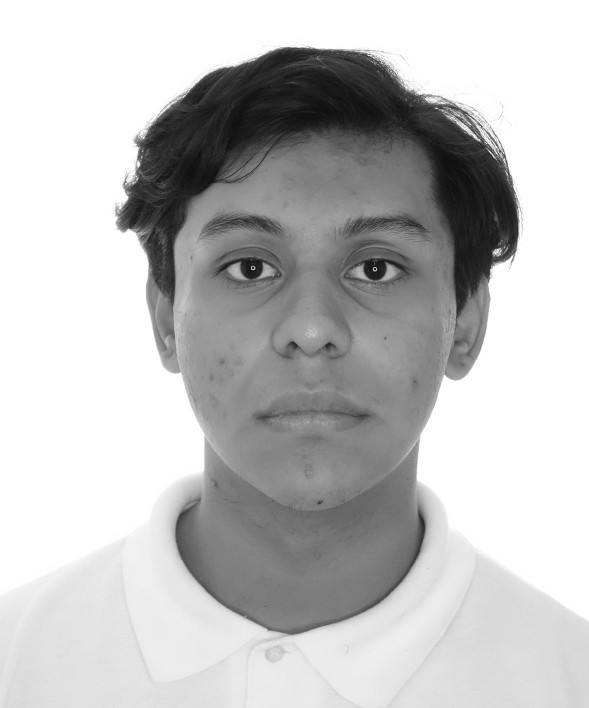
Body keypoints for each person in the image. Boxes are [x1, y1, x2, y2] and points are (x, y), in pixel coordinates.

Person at [1, 46, 588, 707]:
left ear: (466, 321)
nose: (311, 328)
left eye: (375, 268)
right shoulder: (18, 663)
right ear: (166, 318)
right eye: (249, 267)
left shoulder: (568, 678)